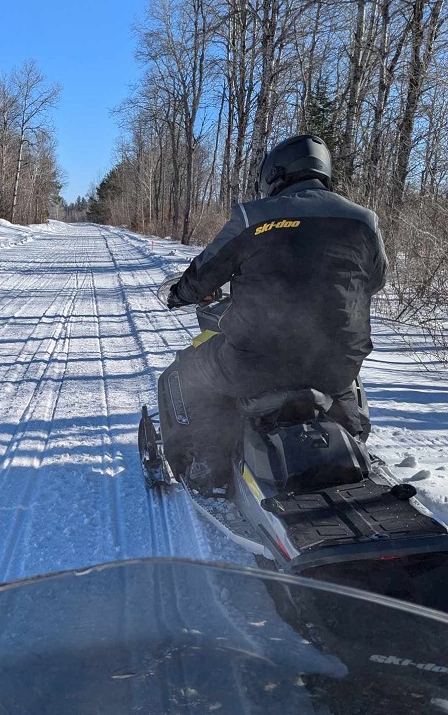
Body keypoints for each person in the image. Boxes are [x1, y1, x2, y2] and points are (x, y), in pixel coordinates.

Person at [158, 134, 388, 493]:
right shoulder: (365, 221)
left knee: (188, 371)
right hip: (336, 367)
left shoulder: (253, 216)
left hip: (255, 363)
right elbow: (374, 280)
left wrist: (179, 294)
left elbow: (205, 272)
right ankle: (355, 440)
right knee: (346, 378)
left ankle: (208, 462)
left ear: (277, 175)